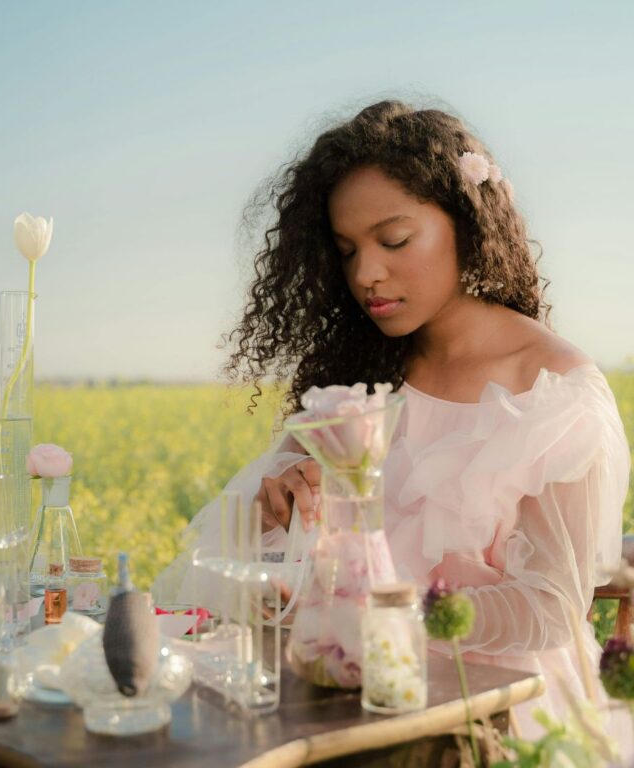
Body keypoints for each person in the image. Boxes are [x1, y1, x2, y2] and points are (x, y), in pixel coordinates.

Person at [153, 100, 631, 744]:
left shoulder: (553, 392)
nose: (365, 274)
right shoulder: (357, 377)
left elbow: (548, 609)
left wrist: (384, 616)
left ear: (467, 223)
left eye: (395, 240)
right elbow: (258, 580)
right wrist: (278, 513)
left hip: (489, 722)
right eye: (347, 251)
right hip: (339, 705)